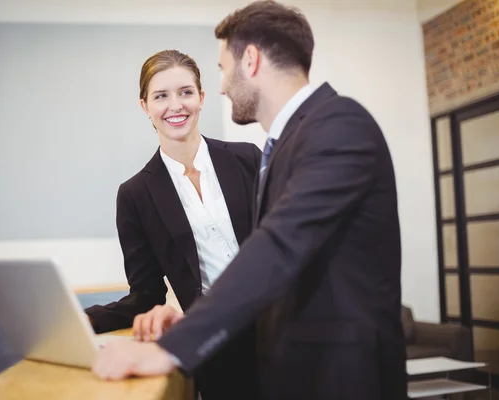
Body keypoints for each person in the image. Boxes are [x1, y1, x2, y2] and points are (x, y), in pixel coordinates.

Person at [92, 2, 407, 399]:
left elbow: (278, 246)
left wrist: (172, 349)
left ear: (252, 60)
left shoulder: (337, 126)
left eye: (223, 69)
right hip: (271, 362)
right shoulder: (290, 142)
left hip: (338, 375)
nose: (222, 86)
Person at [85, 49, 261, 399]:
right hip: (217, 347)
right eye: (161, 96)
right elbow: (145, 296)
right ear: (145, 106)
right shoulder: (135, 195)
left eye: (185, 92)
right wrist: (83, 322)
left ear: (201, 98)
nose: (175, 106)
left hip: (284, 330)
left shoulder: (247, 160)